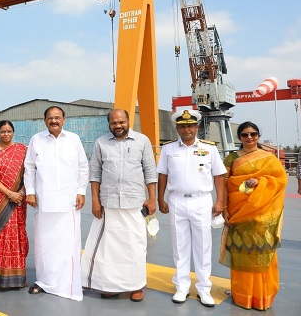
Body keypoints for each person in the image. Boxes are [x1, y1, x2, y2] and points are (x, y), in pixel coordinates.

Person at [81, 108, 157, 302]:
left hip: (135, 204)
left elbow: (150, 172)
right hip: (109, 204)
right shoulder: (101, 143)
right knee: (111, 248)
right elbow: (95, 174)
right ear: (109, 124)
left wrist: (152, 198)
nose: (118, 126)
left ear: (128, 120)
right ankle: (111, 285)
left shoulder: (142, 141)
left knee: (135, 246)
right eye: (114, 123)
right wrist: (95, 201)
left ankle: (136, 286)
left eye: (121, 122)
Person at [156, 109, 226, 307]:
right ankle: (182, 286)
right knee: (180, 245)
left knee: (203, 246)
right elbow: (162, 175)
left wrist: (219, 201)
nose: (186, 129)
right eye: (182, 126)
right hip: (177, 200)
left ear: (196, 127)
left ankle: (204, 289)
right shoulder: (168, 149)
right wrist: (161, 199)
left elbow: (219, 175)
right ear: (177, 128)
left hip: (201, 200)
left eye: (190, 125)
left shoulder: (209, 148)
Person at [220, 121, 288, 311]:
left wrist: (260, 181)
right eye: (245, 135)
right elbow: (224, 186)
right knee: (241, 251)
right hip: (238, 213)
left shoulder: (268, 157)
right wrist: (224, 208)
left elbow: (280, 180)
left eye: (253, 134)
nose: (249, 138)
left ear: (258, 135)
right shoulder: (231, 158)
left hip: (262, 215)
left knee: (262, 251)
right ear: (239, 137)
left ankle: (261, 296)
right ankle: (242, 295)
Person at [24, 106, 88, 301]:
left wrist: (81, 191)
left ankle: (67, 282)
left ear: (64, 120)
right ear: (44, 121)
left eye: (57, 118)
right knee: (44, 244)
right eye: (50, 118)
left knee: (68, 244)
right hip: (44, 201)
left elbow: (83, 167)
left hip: (69, 201)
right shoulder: (37, 140)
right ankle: (44, 281)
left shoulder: (73, 140)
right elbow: (29, 168)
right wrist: (31, 192)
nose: (54, 121)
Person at [0, 120, 28, 289]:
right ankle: (0, 280)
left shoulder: (23, 150)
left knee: (16, 236)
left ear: (13, 132)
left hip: (18, 200)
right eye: (3, 131)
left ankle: (18, 279)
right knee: (1, 236)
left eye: (9, 131)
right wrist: (9, 193)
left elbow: (29, 173)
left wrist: (21, 193)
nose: (6, 134)